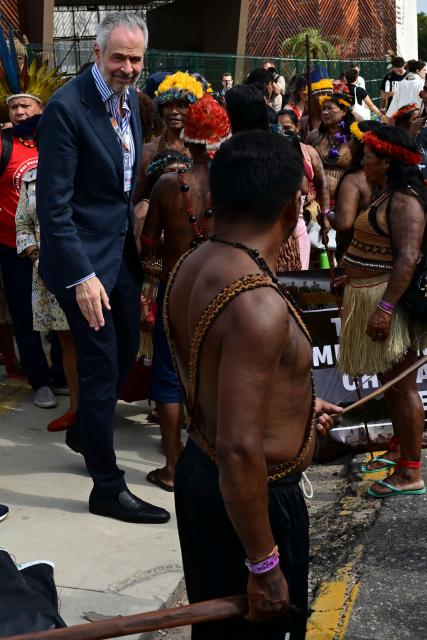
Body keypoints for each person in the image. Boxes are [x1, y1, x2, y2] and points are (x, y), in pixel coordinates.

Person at [166, 130, 341, 639]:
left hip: (207, 480)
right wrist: (264, 565)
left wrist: (300, 410)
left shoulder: (193, 263)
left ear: (215, 197)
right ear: (294, 206)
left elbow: (220, 389)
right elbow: (241, 448)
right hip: (249, 501)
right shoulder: (257, 302)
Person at [36, 11, 169, 524]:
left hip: (118, 255)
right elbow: (55, 208)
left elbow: (117, 187)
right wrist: (83, 276)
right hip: (80, 262)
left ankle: (85, 432)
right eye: (118, 57)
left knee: (123, 351)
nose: (129, 67)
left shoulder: (131, 101)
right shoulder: (67, 109)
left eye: (136, 59)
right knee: (98, 365)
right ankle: (107, 488)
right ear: (96, 54)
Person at [141, 94, 231, 492]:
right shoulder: (235, 184)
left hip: (176, 292)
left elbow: (148, 244)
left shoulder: (166, 183)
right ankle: (213, 461)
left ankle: (174, 467)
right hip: (222, 292)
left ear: (190, 139)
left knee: (167, 375)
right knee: (214, 374)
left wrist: (154, 275)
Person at [339, 125, 427, 498]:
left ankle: (411, 472)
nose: (363, 163)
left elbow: (408, 257)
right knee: (390, 385)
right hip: (367, 294)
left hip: (384, 302)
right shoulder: (385, 194)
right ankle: (399, 452)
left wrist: (386, 308)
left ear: (388, 163)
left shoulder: (405, 201)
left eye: (369, 158)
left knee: (402, 384)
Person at [0, 39, 68, 408]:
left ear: (41, 107)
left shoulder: (55, 141)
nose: (19, 111)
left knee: (61, 314)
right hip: (13, 248)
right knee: (25, 317)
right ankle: (38, 379)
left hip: (56, 246)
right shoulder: (3, 144)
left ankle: (60, 374)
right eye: (13, 106)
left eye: (25, 104)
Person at [16, 163, 79, 432]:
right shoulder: (31, 180)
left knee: (94, 340)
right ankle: (77, 410)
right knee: (67, 339)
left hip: (87, 268)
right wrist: (34, 254)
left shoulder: (85, 170)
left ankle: (99, 408)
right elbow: (22, 224)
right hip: (47, 272)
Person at [133, 71, 203, 224]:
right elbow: (135, 202)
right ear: (161, 109)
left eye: (182, 105)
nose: (174, 112)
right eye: (168, 106)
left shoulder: (204, 151)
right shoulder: (146, 151)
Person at [276, 109, 330, 268]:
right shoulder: (270, 155)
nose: (282, 133)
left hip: (307, 215)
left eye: (287, 128)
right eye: (278, 129)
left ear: (297, 127)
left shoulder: (309, 152)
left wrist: (325, 215)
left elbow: (322, 184)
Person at [327, 120, 376, 261]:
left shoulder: (354, 180)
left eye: (352, 140)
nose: (349, 144)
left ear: (362, 146)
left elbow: (343, 223)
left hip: (352, 254)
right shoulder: (387, 174)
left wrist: (328, 215)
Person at [306, 82, 355, 202]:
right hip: (317, 199)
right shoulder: (314, 136)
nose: (324, 112)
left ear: (343, 111)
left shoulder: (354, 138)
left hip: (346, 199)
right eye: (323, 109)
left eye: (330, 108)